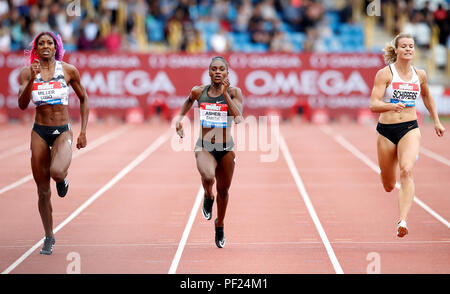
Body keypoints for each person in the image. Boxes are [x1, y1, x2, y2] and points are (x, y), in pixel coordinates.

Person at [18, 32, 89, 255]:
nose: (45, 46)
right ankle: (49, 236)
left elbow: (84, 98)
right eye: (41, 43)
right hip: (39, 131)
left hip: (62, 131)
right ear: (36, 49)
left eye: (49, 42)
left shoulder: (68, 70)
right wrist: (31, 79)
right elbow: (21, 104)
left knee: (57, 172)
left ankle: (63, 179)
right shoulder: (27, 72)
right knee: (42, 191)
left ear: (56, 47)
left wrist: (83, 132)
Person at [369, 33, 445, 237]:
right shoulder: (385, 74)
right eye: (404, 46)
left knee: (407, 171)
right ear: (396, 50)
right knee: (388, 184)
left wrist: (436, 120)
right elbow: (373, 104)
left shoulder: (419, 74)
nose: (409, 49)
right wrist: (391, 105)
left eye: (411, 46)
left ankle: (402, 221)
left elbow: (427, 95)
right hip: (386, 131)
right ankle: (388, 178)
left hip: (410, 128)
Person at [175, 56, 243, 248]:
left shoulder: (235, 92)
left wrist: (225, 94)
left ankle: (219, 224)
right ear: (209, 71)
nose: (218, 72)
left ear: (228, 73)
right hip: (204, 146)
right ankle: (208, 195)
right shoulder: (199, 91)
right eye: (214, 69)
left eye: (222, 69)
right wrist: (179, 119)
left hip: (226, 148)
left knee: (224, 190)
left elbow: (238, 118)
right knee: (208, 175)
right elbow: (188, 101)